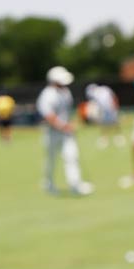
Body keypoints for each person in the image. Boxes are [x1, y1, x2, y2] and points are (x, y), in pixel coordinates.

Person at [38, 66, 92, 195]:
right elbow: (49, 116)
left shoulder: (65, 92)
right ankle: (48, 184)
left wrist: (70, 125)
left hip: (66, 132)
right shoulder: (47, 95)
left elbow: (67, 112)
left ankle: (75, 185)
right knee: (51, 160)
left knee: (72, 157)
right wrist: (64, 126)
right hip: (52, 133)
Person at [87, 83, 121, 148]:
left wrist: (115, 106)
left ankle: (118, 136)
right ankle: (104, 138)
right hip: (103, 110)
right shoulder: (97, 93)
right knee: (103, 124)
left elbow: (113, 97)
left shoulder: (104, 89)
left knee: (114, 122)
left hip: (111, 108)